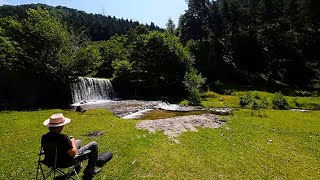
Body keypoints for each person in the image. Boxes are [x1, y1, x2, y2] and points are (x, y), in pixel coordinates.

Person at [42, 113, 101, 179]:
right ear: (59, 127)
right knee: (94, 144)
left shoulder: (44, 137)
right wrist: (72, 141)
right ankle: (89, 170)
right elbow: (73, 153)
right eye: (62, 125)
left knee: (78, 141)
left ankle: (77, 167)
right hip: (65, 162)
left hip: (50, 161)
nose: (63, 126)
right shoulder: (63, 138)